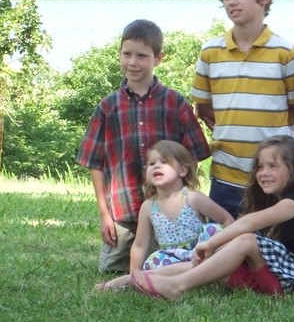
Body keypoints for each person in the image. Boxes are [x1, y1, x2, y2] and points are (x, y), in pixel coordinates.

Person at [127, 135, 294, 302]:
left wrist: (210, 244)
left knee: (245, 240)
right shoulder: (272, 200)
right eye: (260, 167)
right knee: (221, 257)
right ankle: (132, 280)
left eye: (273, 166)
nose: (264, 173)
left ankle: (177, 286)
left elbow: (249, 223)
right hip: (272, 277)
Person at [76, 19, 211, 274]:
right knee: (112, 269)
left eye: (142, 56)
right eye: (127, 54)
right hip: (122, 212)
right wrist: (104, 215)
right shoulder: (108, 107)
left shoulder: (174, 103)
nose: (133, 62)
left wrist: (183, 198)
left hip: (167, 213)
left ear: (158, 58)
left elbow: (193, 155)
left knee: (171, 266)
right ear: (120, 54)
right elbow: (95, 163)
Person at [191, 0, 294, 218]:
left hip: (274, 176)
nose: (232, 1)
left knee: (272, 239)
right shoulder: (210, 52)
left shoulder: (284, 52)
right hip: (226, 174)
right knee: (224, 237)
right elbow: (204, 108)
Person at [96, 141, 234, 289]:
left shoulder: (192, 197)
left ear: (182, 170)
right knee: (155, 262)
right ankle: (138, 279)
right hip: (172, 260)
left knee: (214, 230)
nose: (156, 166)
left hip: (201, 252)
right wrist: (134, 272)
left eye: (164, 162)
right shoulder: (148, 207)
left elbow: (226, 219)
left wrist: (228, 245)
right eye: (151, 163)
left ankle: (206, 271)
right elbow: (140, 245)